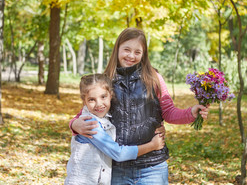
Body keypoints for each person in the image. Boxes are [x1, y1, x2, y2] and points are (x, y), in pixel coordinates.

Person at [69, 28, 209, 185]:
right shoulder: (106, 80)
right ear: (117, 49)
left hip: (152, 167)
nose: (131, 56)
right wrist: (74, 124)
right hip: (117, 168)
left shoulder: (154, 78)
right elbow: (89, 111)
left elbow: (169, 111)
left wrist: (191, 113)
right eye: (127, 50)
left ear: (144, 54)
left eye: (137, 52)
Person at [65, 73, 165, 185]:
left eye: (103, 97)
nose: (99, 104)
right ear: (84, 101)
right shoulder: (90, 124)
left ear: (111, 95)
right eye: (91, 100)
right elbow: (118, 153)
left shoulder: (105, 118)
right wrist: (152, 146)